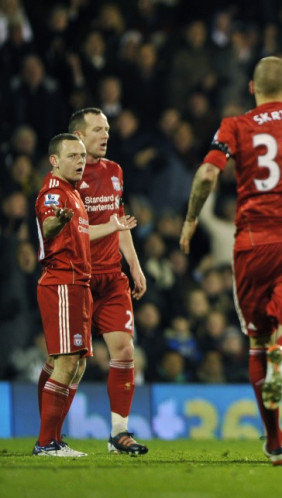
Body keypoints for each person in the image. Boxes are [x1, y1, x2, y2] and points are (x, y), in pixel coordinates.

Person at [179, 56, 282, 465]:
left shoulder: (235, 125)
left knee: (258, 340)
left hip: (252, 243)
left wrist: (189, 222)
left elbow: (205, 175)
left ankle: (275, 442)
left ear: (252, 89)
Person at [34, 133, 136, 456]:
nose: (79, 162)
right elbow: (49, 224)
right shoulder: (54, 192)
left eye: (81, 156)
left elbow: (83, 232)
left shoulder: (73, 193)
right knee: (64, 362)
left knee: (75, 365)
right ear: (55, 160)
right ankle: (46, 442)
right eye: (72, 156)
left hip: (78, 285)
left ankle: (54, 439)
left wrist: (114, 226)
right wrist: (56, 222)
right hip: (63, 282)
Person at [58, 107, 147, 455]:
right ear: (79, 136)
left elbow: (118, 221)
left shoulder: (114, 171)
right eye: (97, 129)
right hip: (76, 277)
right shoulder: (68, 178)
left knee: (124, 350)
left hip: (111, 278)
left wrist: (135, 267)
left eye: (107, 128)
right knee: (64, 361)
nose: (105, 135)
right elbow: (71, 231)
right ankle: (49, 434)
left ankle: (119, 433)